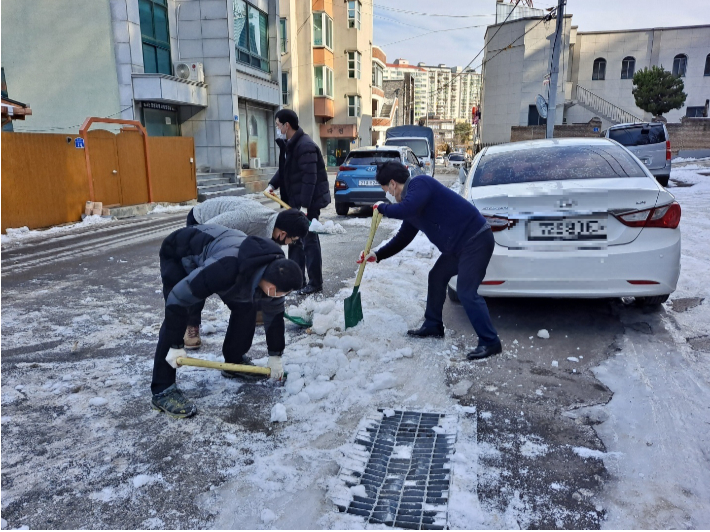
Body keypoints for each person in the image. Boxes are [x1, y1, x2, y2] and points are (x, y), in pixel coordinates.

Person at [151, 224, 303, 418]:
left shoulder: (275, 272)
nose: (280, 297)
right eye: (280, 293)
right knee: (181, 312)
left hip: (223, 256)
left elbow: (274, 317)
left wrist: (275, 356)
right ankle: (162, 389)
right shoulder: (226, 268)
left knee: (246, 307)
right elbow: (177, 299)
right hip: (181, 251)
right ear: (271, 285)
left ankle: (234, 359)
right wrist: (175, 344)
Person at [359, 161, 502, 360]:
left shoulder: (420, 184)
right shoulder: (411, 204)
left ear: (392, 184)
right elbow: (402, 238)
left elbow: (406, 209)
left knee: (466, 292)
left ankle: (490, 341)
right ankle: (433, 325)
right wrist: (378, 254)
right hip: (457, 247)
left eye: (385, 190)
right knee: (437, 276)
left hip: (475, 240)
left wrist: (381, 208)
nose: (388, 196)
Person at [182, 197, 310, 348]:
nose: (291, 243)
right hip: (202, 223)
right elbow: (204, 231)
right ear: (282, 233)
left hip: (231, 236)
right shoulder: (247, 220)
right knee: (200, 276)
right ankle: (191, 324)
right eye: (293, 239)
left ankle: (257, 310)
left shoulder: (273, 232)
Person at [266, 109, 331, 295]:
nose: (277, 128)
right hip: (295, 202)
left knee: (309, 240)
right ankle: (297, 281)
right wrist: (272, 185)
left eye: (278, 124)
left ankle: (315, 282)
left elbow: (310, 179)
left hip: (308, 203)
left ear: (287, 125)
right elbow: (285, 171)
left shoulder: (305, 146)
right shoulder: (291, 145)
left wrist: (304, 207)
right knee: (293, 241)